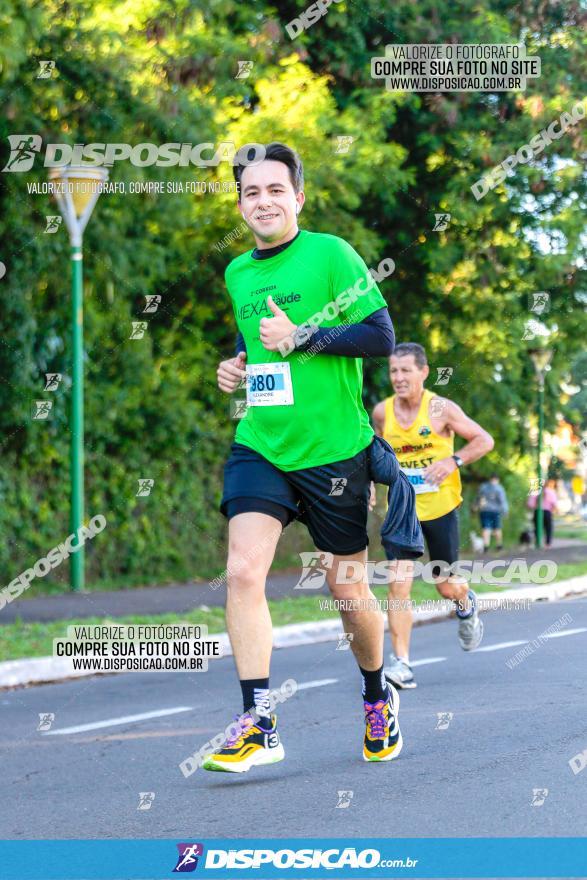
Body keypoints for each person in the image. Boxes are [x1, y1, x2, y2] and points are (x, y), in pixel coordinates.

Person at [206, 141, 405, 772]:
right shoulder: (239, 271)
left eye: (274, 190)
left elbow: (381, 336)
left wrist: (303, 337)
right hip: (262, 443)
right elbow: (251, 332)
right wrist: (238, 364)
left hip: (332, 450)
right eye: (250, 192)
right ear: (240, 204)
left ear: (297, 197)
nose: (262, 201)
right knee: (242, 571)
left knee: (349, 588)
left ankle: (377, 696)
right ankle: (258, 722)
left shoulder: (331, 255)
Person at [372, 343, 494, 689]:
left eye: (405, 370)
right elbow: (374, 451)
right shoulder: (383, 412)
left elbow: (484, 440)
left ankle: (465, 602)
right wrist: (368, 484)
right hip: (401, 510)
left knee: (444, 586)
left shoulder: (441, 408)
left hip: (440, 507)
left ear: (423, 372)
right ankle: (403, 664)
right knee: (397, 585)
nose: (398, 377)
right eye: (393, 370)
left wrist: (451, 461)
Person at [476, 475, 509, 551]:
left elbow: (478, 498)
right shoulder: (499, 488)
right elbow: (502, 501)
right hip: (496, 511)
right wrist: (505, 510)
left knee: (486, 528)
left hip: (485, 510)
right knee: (497, 528)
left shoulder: (483, 487)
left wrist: (476, 506)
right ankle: (499, 545)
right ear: (497, 480)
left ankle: (486, 546)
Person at [528, 478, 558, 547]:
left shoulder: (535, 492)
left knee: (537, 528)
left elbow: (530, 505)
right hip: (547, 512)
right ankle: (547, 544)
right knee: (548, 528)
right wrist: (553, 510)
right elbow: (554, 504)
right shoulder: (551, 491)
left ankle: (537, 542)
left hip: (537, 512)